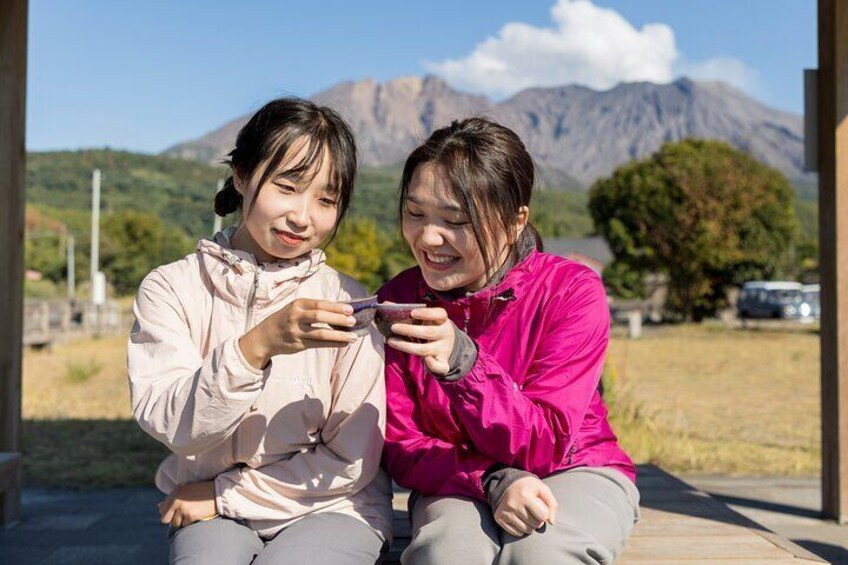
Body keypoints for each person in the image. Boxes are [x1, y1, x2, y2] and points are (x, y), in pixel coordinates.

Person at [128, 97, 392, 565]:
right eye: (288, 187)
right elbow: (176, 429)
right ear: (242, 176)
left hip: (332, 506)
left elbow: (352, 459)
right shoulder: (171, 287)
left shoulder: (351, 304)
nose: (303, 216)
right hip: (212, 506)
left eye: (326, 200)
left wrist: (224, 493)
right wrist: (255, 348)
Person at [377, 117, 640, 564]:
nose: (428, 237)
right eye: (415, 213)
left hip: (575, 466)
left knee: (544, 553)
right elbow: (402, 443)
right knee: (446, 553)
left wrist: (463, 364)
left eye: (456, 220)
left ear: (516, 221)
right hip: (456, 479)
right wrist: (492, 479)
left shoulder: (571, 291)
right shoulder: (399, 300)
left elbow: (547, 441)